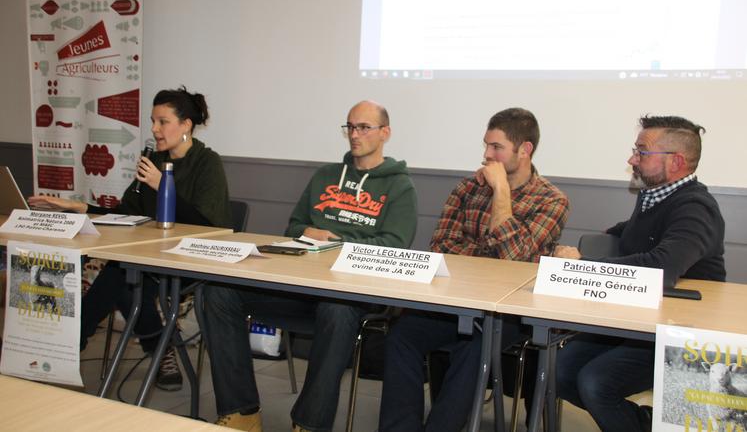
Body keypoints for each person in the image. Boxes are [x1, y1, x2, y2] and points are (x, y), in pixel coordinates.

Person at [205, 100, 417, 432]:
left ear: (385, 133)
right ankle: (241, 411)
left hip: (353, 295)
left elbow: (395, 246)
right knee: (219, 292)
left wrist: (336, 241)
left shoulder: (399, 186)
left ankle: (309, 423)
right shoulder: (326, 175)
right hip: (303, 286)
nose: (354, 134)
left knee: (337, 309)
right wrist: (307, 232)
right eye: (350, 127)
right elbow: (293, 227)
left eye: (364, 127)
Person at [379, 107, 569, 432]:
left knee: (476, 348)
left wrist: (502, 192)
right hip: (456, 302)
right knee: (402, 337)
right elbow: (442, 247)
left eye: (496, 147)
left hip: (509, 314)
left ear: (525, 149)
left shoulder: (552, 201)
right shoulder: (467, 189)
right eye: (486, 145)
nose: (487, 155)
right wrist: (496, 258)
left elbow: (513, 259)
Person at [29, 86, 231, 391]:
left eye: (163, 122)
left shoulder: (207, 163)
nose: (154, 129)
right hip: (151, 254)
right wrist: (78, 207)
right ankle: (154, 349)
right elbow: (125, 214)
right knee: (123, 273)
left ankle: (73, 347)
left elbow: (208, 226)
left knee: (122, 276)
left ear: (186, 125)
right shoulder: (154, 161)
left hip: (194, 257)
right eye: (153, 121)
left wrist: (163, 185)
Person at [553, 115, 725, 432]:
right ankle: (640, 423)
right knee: (559, 371)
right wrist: (611, 234)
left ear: (676, 161)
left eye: (642, 152)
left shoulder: (696, 207)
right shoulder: (656, 197)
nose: (632, 160)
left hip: (680, 333)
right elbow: (641, 233)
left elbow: (662, 267)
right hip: (639, 320)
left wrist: (584, 262)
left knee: (595, 383)